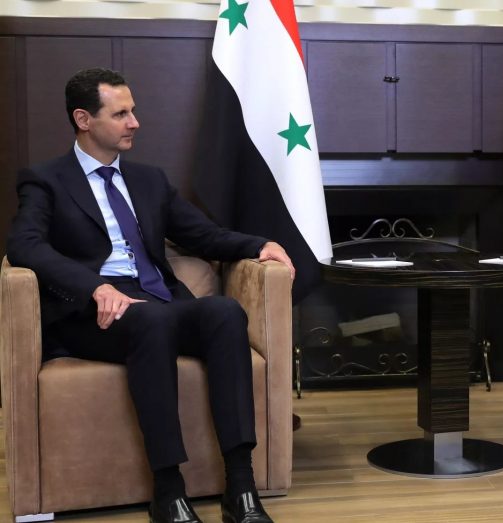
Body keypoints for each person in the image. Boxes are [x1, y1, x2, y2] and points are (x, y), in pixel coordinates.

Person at [6, 68, 294, 523]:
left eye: (133, 111)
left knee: (224, 312)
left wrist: (259, 245)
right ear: (83, 119)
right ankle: (168, 490)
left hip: (159, 302)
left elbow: (202, 234)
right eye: (121, 114)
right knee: (153, 319)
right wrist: (94, 286)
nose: (135, 122)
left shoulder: (149, 180)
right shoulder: (46, 180)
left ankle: (241, 487)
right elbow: (24, 245)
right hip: (96, 314)